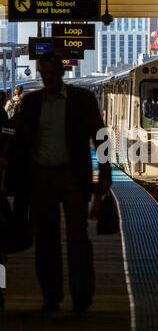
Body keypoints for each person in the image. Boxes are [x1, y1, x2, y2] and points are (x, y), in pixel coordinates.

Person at [12, 51, 111, 313]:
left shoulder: (82, 100)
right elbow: (20, 141)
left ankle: (81, 295)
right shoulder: (31, 103)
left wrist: (105, 173)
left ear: (63, 73)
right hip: (41, 175)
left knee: (78, 237)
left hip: (73, 177)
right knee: (45, 239)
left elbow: (100, 135)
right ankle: (51, 295)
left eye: (54, 73)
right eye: (45, 74)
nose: (49, 79)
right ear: (41, 74)